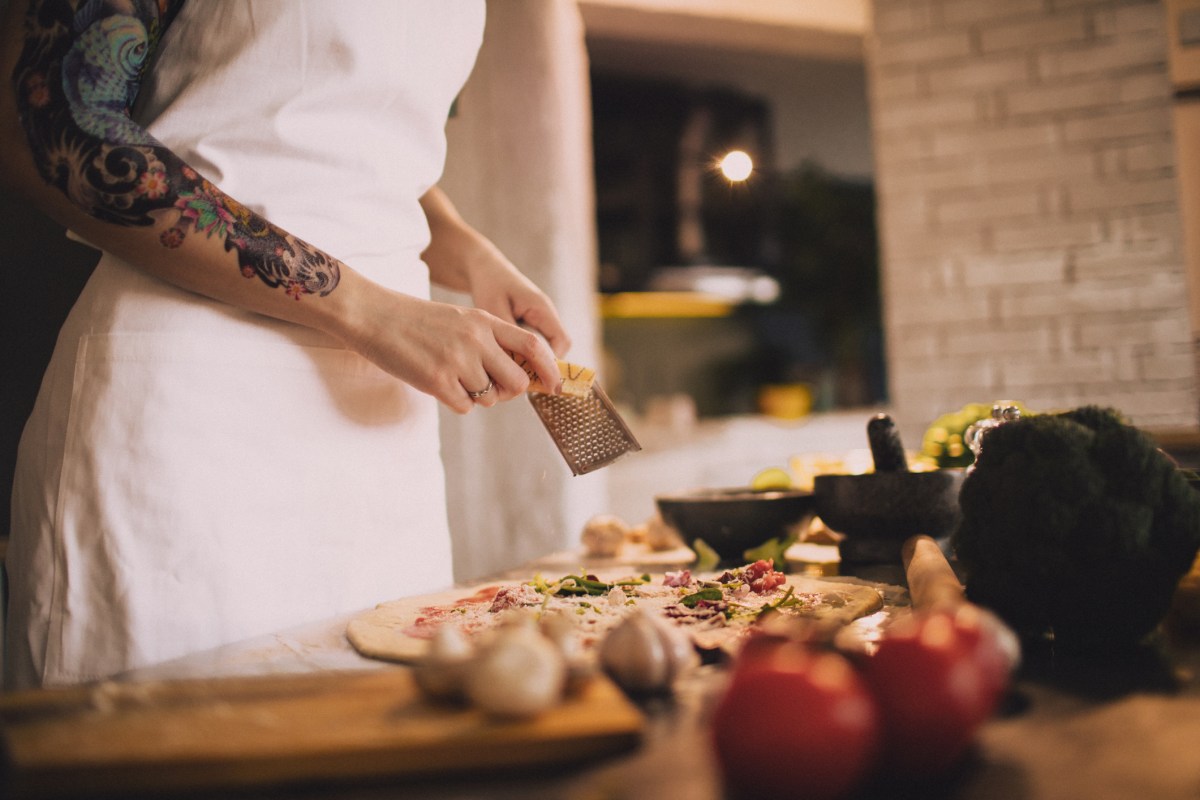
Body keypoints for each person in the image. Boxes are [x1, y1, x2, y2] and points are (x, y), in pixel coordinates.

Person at [0, 0, 572, 689]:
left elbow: (345, 130)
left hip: (379, 428)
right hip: (196, 408)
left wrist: (473, 255)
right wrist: (370, 312)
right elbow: (48, 125)